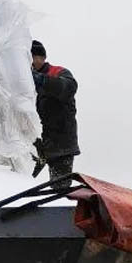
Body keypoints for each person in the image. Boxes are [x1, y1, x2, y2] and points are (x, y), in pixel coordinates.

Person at [30, 40, 79, 186]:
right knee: (24, 182)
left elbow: (68, 88)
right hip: (43, 145)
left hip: (62, 144)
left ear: (42, 57)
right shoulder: (26, 83)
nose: (30, 61)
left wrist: (41, 80)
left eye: (32, 57)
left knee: (59, 187)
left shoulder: (58, 72)